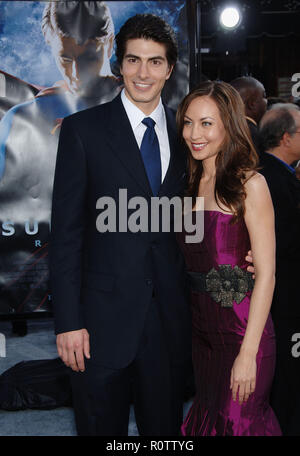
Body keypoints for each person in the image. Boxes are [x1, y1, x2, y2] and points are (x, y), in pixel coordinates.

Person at [50, 13, 191, 436]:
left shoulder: (191, 137)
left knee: (164, 433)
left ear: (169, 68)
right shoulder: (82, 131)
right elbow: (66, 237)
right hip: (98, 323)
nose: (142, 73)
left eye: (154, 61)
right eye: (133, 60)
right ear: (119, 62)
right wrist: (68, 322)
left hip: (168, 322)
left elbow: (206, 216)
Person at [0, 1, 121, 316]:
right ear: (49, 44)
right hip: (47, 286)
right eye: (66, 58)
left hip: (125, 278)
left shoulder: (140, 111)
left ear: (109, 43)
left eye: (90, 56)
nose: (77, 72)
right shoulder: (22, 117)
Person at [176, 81, 281, 436]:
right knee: (209, 420)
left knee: (238, 423)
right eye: (188, 122)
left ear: (229, 125)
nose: (194, 133)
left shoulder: (250, 183)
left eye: (207, 123)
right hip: (203, 336)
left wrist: (248, 354)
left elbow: (266, 274)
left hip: (242, 331)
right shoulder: (189, 184)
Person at [259, 103, 300, 435]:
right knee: (285, 383)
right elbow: (284, 244)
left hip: (279, 300)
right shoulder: (274, 182)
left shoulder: (273, 173)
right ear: (286, 138)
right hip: (282, 302)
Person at [230, 76, 267, 154]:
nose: (266, 101)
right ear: (251, 104)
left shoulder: (225, 129)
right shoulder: (252, 135)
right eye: (264, 96)